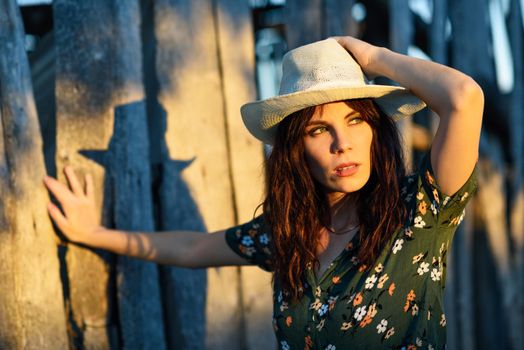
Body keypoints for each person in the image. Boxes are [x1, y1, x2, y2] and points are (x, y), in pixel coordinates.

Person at [44, 37, 483, 349]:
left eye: (354, 120)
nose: (341, 143)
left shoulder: (418, 212)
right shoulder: (288, 234)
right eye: (318, 129)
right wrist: (93, 233)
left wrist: (373, 56)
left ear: (375, 130)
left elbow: (463, 97)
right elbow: (193, 247)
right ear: (296, 151)